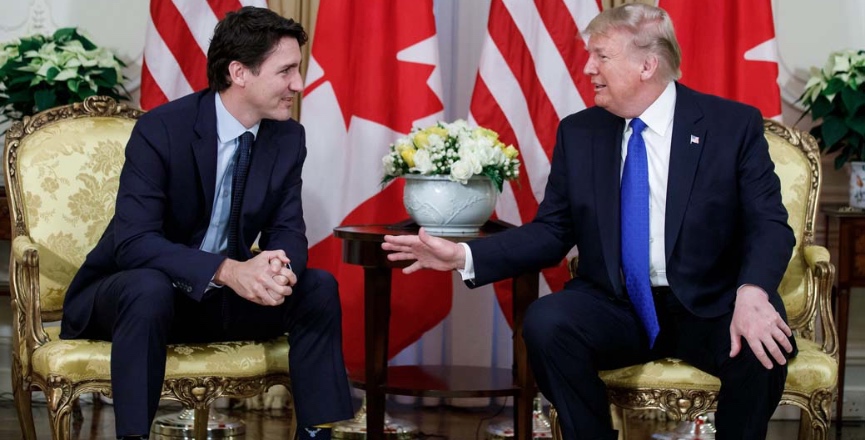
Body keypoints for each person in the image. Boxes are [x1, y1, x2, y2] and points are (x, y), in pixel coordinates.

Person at [382, 4, 796, 439]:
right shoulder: (579, 133)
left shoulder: (729, 125)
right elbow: (553, 231)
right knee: (547, 323)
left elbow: (769, 224)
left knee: (764, 343)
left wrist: (753, 293)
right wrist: (464, 255)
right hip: (617, 305)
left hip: (710, 302)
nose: (587, 68)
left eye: (601, 55)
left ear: (646, 65)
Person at [59, 7, 352, 440]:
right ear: (239, 72)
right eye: (286, 71)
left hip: (211, 300)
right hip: (132, 299)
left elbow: (287, 229)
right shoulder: (163, 128)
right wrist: (229, 270)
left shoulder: (287, 137)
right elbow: (134, 242)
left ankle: (316, 433)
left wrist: (277, 270)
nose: (298, 84)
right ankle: (134, 436)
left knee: (318, 287)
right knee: (148, 286)